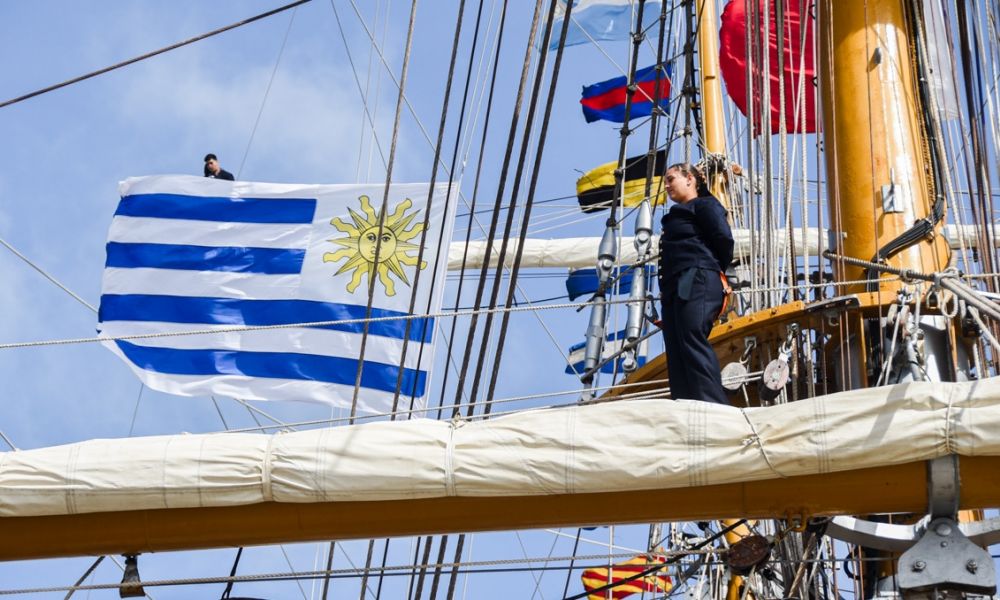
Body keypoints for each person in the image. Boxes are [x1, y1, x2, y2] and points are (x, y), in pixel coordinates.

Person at [658, 162, 734, 404]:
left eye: (671, 178)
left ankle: (712, 404)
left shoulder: (704, 205)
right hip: (675, 285)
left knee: (691, 335)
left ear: (690, 178)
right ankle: (686, 403)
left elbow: (723, 238)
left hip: (698, 276)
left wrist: (712, 270)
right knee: (677, 345)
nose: (667, 185)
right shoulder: (678, 214)